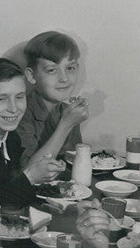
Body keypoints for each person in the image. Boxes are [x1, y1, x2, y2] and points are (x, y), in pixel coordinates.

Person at [0, 58, 63, 208]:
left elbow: (12, 194)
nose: (14, 108)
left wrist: (59, 206)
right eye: (2, 99)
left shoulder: (11, 138)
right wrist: (29, 177)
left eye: (19, 97)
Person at [16, 31, 89, 166]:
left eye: (70, 68)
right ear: (31, 76)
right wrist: (66, 124)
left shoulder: (68, 111)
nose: (64, 78)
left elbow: (72, 163)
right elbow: (28, 173)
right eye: (52, 70)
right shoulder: (20, 112)